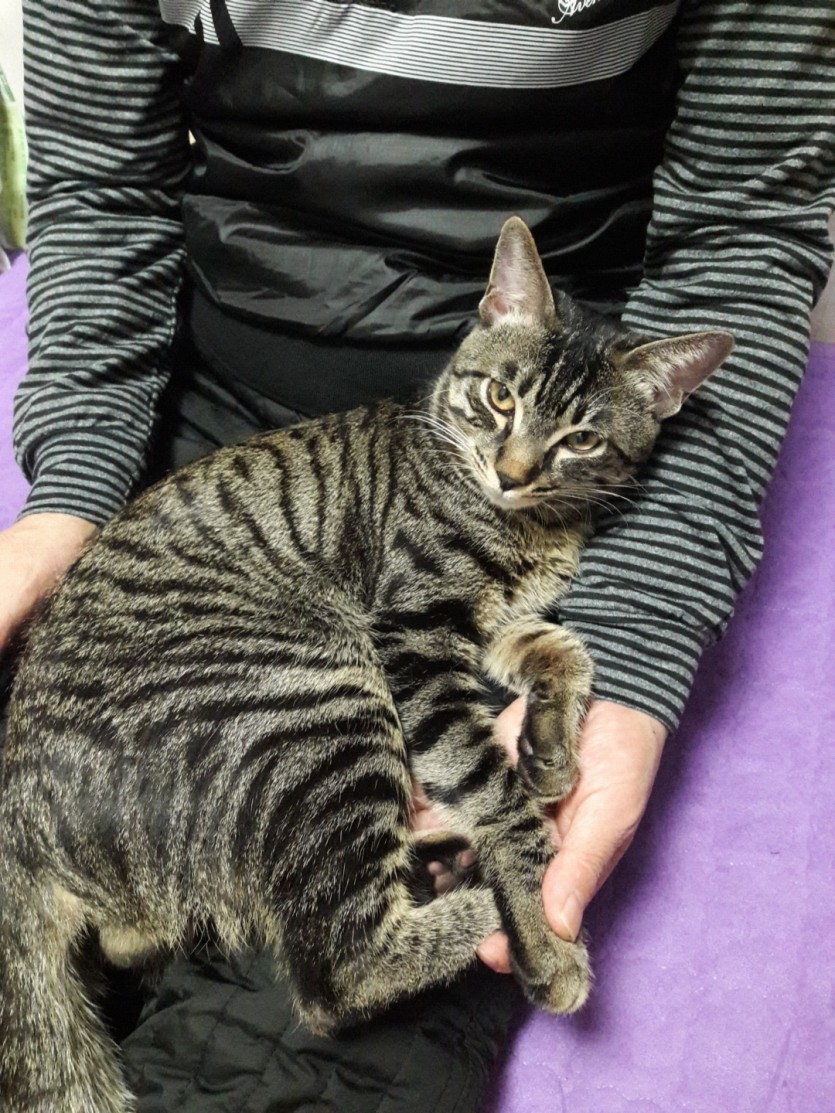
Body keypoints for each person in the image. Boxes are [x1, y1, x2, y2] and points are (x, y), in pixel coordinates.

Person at [1, 1, 833, 1109]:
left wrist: (627, 652)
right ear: (491, 313)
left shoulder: (539, 454)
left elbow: (746, 228)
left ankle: (197, 926)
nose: (517, 470)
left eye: (562, 450)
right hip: (210, 456)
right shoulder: (433, 489)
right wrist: (67, 500)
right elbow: (102, 188)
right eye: (508, 432)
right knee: (346, 761)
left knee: (305, 1072)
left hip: (279, 609)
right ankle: (330, 946)